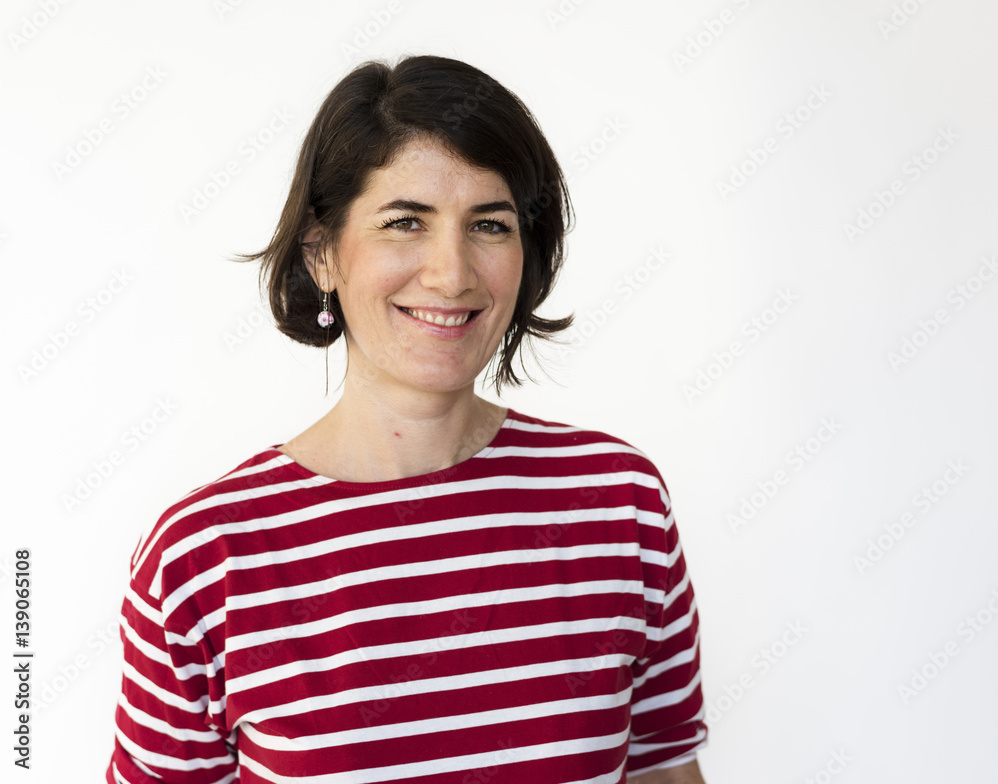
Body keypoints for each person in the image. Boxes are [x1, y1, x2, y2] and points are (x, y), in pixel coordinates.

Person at [107, 55, 708, 784]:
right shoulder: (204, 559)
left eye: (489, 224)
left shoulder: (618, 500)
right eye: (405, 222)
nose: (451, 274)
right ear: (322, 253)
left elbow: (664, 772)